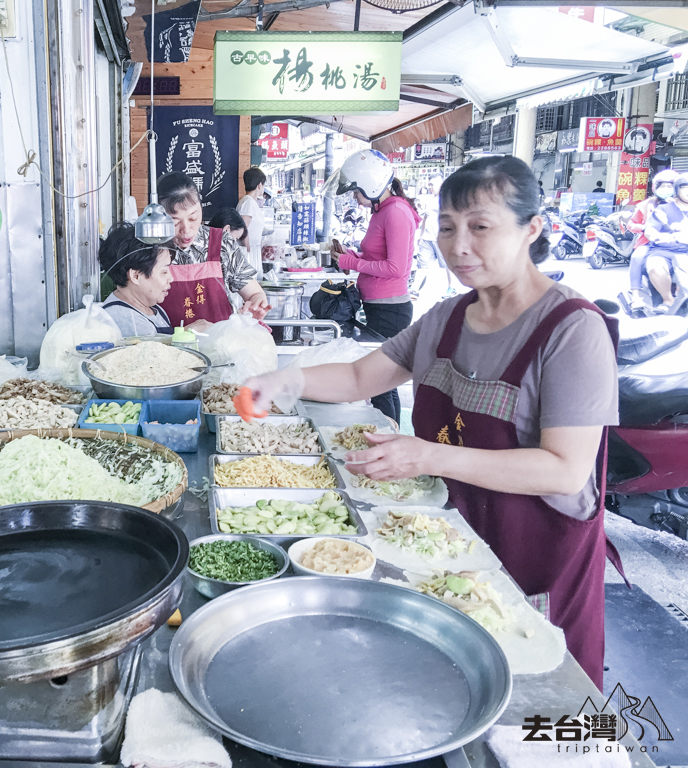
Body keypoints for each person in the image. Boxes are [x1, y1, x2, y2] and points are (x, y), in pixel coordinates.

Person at [243, 156, 626, 690]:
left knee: (531, 709)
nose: (458, 245)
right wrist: (285, 380)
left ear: (532, 229)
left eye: (481, 227)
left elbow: (564, 469)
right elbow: (358, 377)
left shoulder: (571, 330)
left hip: (534, 563)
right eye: (447, 227)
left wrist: (426, 456)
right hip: (444, 545)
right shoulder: (446, 317)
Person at [329, 149, 421, 425]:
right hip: (378, 305)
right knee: (382, 385)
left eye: (356, 191)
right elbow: (377, 258)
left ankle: (386, 441)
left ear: (371, 184)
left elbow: (396, 268)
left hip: (389, 310)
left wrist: (352, 263)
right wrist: (352, 256)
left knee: (379, 384)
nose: (355, 198)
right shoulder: (383, 211)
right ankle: (386, 437)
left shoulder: (396, 213)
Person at [155, 172, 271, 328]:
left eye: (193, 218)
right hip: (166, 348)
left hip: (219, 346)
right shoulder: (151, 248)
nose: (186, 230)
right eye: (175, 223)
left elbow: (254, 293)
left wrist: (255, 306)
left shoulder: (221, 243)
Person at [97, 222, 176, 336]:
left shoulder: (152, 308)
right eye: (164, 271)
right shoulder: (129, 321)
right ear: (136, 276)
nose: (171, 278)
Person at [627, 169, 677, 312]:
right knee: (637, 257)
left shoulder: (681, 205)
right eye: (663, 186)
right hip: (649, 243)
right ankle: (635, 295)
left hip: (676, 243)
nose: (666, 190)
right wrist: (644, 228)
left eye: (670, 187)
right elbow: (631, 224)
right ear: (655, 188)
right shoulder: (646, 205)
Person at [643, 172, 688, 311]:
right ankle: (668, 300)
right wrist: (657, 235)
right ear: (676, 190)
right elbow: (650, 229)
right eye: (685, 187)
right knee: (655, 266)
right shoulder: (664, 209)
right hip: (665, 251)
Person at [416, 175, 456, 298]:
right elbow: (425, 218)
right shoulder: (429, 199)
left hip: (440, 238)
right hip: (427, 238)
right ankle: (415, 289)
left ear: (441, 184)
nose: (430, 187)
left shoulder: (447, 201)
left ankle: (451, 287)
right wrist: (421, 236)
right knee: (422, 265)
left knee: (447, 265)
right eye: (429, 185)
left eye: (432, 184)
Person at [237, 167, 266, 275]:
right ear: (259, 185)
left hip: (253, 251)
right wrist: (248, 250)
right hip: (248, 253)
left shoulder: (250, 202)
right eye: (263, 185)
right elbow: (243, 229)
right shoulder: (248, 203)